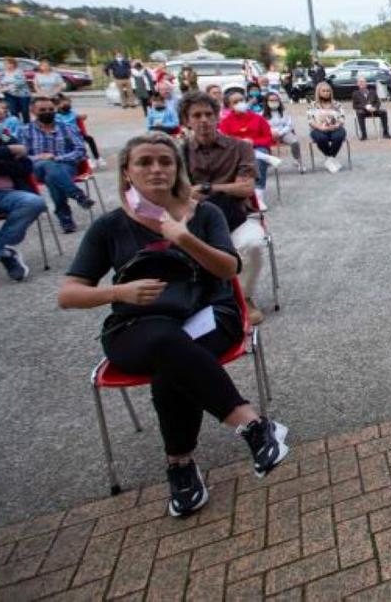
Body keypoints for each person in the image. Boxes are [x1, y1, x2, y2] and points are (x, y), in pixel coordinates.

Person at [57, 132, 288, 518]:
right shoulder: (110, 226)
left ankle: (180, 466)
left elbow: (228, 268)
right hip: (136, 326)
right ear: (127, 173)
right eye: (145, 162)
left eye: (166, 161)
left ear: (178, 169)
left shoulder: (205, 214)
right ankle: (253, 427)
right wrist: (120, 293)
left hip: (210, 313)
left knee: (173, 358)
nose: (157, 169)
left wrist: (183, 237)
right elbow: (69, 294)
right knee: (168, 345)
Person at [180, 92, 268, 323]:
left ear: (218, 117)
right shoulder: (178, 153)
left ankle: (244, 297)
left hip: (237, 216)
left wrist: (208, 188)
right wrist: (226, 186)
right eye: (196, 115)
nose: (203, 120)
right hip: (193, 220)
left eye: (209, 114)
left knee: (253, 244)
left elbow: (246, 188)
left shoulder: (240, 148)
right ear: (186, 120)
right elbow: (177, 193)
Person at [0, 102, 46, 281]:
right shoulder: (10, 145)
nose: (0, 123)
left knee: (34, 202)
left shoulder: (5, 137)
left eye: (2, 119)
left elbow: (26, 167)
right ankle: (5, 254)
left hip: (8, 193)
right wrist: (9, 152)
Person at [20, 96, 93, 233]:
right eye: (42, 110)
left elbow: (80, 151)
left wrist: (57, 158)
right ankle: (77, 195)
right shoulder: (25, 130)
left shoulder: (67, 128)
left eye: (50, 109)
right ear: (33, 111)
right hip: (36, 169)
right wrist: (39, 157)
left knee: (52, 176)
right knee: (47, 165)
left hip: (66, 166)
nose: (47, 112)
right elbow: (21, 156)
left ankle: (66, 219)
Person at [218, 90, 278, 207]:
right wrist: (240, 143)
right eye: (235, 102)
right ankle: (238, 194)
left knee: (258, 160)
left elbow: (268, 138)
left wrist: (253, 142)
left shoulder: (258, 118)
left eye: (241, 100)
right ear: (230, 106)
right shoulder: (226, 122)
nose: (240, 103)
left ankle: (258, 195)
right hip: (235, 151)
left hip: (258, 149)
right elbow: (224, 141)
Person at [53, 93, 106, 166]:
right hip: (66, 136)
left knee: (89, 139)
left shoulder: (72, 113)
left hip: (77, 133)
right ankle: (87, 160)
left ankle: (97, 158)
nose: (67, 105)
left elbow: (82, 117)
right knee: (79, 144)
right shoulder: (56, 116)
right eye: (63, 104)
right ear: (58, 106)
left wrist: (83, 116)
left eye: (68, 104)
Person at [307, 82, 348, 172]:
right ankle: (331, 159)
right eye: (324, 91)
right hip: (318, 128)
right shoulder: (313, 105)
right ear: (319, 92)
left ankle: (329, 159)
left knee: (339, 136)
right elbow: (310, 120)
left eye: (328, 91)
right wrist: (321, 128)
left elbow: (342, 118)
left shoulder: (337, 104)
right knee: (321, 138)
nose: (326, 93)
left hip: (335, 128)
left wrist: (336, 125)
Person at [263, 93, 304, 173]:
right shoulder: (262, 114)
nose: (274, 102)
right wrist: (272, 132)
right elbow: (263, 126)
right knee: (261, 145)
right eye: (271, 100)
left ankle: (298, 161)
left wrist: (280, 133)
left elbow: (289, 125)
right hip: (269, 134)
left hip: (284, 132)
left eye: (276, 100)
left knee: (295, 142)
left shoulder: (284, 112)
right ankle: (266, 163)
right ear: (266, 102)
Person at [351, 76, 391, 140]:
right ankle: (364, 135)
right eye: (360, 82)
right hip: (363, 111)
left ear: (366, 83)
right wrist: (365, 107)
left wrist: (375, 108)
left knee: (384, 112)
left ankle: (386, 133)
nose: (361, 83)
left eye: (363, 82)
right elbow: (355, 106)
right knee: (360, 113)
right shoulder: (355, 93)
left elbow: (378, 102)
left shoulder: (372, 91)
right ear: (357, 84)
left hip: (373, 110)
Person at [0, 57, 31, 124]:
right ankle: (16, 125)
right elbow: (0, 82)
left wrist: (7, 88)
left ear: (13, 64)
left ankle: (27, 125)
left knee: (24, 111)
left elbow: (20, 82)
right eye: (5, 64)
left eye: (8, 63)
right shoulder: (3, 73)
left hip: (23, 94)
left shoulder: (19, 71)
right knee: (13, 111)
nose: (6, 65)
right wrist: (0, 88)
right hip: (9, 95)